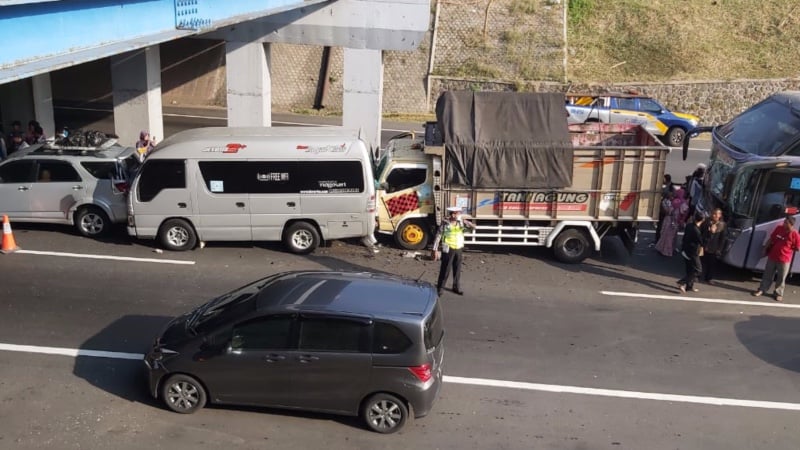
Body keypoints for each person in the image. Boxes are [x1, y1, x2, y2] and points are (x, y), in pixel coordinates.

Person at [752, 214, 800, 302]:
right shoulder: (779, 228)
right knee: (767, 274)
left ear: (791, 224)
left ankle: (778, 293)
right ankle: (762, 289)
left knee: (781, 278)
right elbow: (771, 239)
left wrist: (788, 248)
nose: (784, 224)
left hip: (784, 259)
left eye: (786, 223)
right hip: (773, 256)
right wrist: (765, 248)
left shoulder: (795, 234)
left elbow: (797, 248)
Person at [431, 206, 474, 296]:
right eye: (457, 213)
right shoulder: (445, 223)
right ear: (453, 214)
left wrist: (468, 223)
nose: (458, 215)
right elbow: (438, 236)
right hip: (448, 248)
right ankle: (440, 288)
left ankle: (456, 287)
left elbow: (470, 230)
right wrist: (434, 249)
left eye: (459, 213)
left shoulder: (460, 223)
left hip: (458, 248)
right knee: (445, 269)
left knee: (457, 269)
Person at [654, 187, 688, 257]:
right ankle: (669, 250)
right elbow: (684, 212)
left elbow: (668, 210)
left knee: (665, 235)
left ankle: (662, 249)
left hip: (668, 219)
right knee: (671, 237)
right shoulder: (683, 203)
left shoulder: (673, 201)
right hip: (675, 222)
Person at [678, 211, 706, 294]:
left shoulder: (689, 225)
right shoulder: (696, 230)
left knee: (690, 269)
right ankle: (682, 282)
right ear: (703, 220)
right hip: (693, 252)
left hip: (686, 250)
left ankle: (689, 286)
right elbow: (702, 242)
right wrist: (710, 233)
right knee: (698, 269)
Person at [700, 208, 728, 284]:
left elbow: (723, 238)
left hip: (714, 247)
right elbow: (701, 232)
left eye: (717, 214)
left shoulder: (722, 225)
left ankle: (709, 278)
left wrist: (719, 249)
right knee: (701, 262)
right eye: (713, 214)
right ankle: (698, 275)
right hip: (704, 245)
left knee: (711, 263)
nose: (715, 215)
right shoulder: (707, 222)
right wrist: (709, 231)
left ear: (720, 215)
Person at [655, 174, 674, 242]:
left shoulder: (667, 188)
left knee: (660, 225)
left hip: (663, 209)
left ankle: (658, 239)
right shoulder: (670, 187)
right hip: (666, 210)